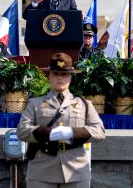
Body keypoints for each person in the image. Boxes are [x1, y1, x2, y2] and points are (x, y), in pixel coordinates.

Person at [17, 52, 105, 188]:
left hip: (76, 170)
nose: (60, 78)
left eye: (64, 74)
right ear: (49, 76)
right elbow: (22, 130)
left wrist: (71, 133)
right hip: (42, 171)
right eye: (56, 74)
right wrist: (48, 133)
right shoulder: (35, 103)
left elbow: (99, 131)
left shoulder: (84, 104)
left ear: (70, 77)